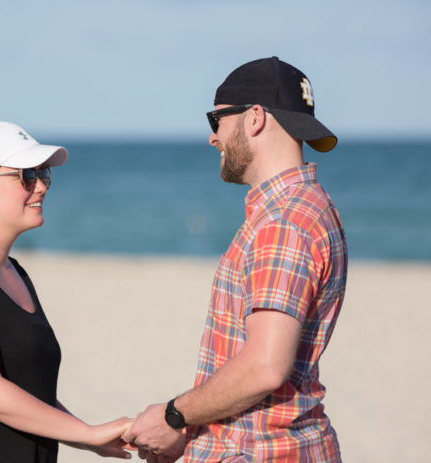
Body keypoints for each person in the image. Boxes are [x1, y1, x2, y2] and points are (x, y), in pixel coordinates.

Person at [122, 57, 347, 462]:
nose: (213, 138)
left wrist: (173, 416)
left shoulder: (283, 223)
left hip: (259, 451)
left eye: (217, 120)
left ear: (255, 118)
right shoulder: (311, 206)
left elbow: (264, 366)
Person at [0, 121, 133, 462]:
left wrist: (88, 437)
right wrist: (87, 433)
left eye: (43, 174)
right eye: (25, 176)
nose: (41, 186)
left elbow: (29, 391)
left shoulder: (12, 272)